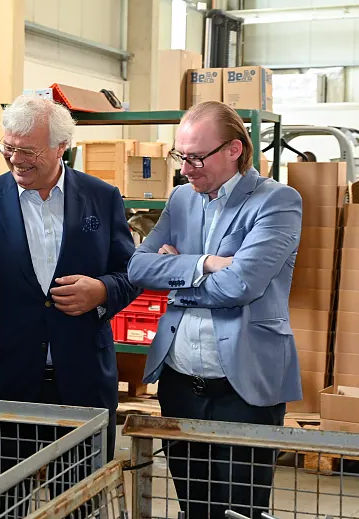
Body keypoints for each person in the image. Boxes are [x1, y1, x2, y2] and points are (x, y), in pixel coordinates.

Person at [0, 95, 140, 512]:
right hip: (0, 389)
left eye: (28, 151)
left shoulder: (102, 198)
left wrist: (103, 291)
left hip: (81, 386)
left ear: (61, 146)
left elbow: (132, 273)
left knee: (79, 503)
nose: (16, 160)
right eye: (8, 148)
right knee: (4, 503)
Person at [126, 101, 302, 519]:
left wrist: (175, 277)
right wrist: (202, 264)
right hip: (180, 383)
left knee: (241, 510)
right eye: (180, 156)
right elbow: (137, 266)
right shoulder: (182, 198)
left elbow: (241, 284)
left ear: (234, 150)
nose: (185, 168)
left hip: (245, 385)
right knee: (195, 505)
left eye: (195, 157)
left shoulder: (276, 202)